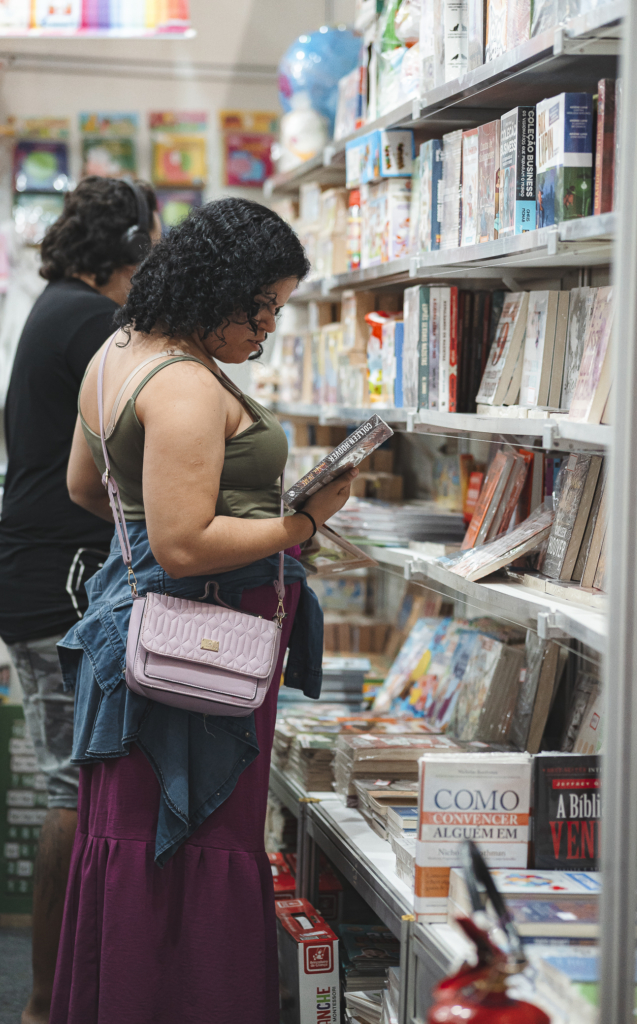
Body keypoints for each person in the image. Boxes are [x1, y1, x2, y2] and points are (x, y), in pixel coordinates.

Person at [51, 197, 356, 1024]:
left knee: (133, 829)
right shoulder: (185, 384)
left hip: (139, 627)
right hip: (200, 647)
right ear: (218, 290)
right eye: (262, 308)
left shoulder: (119, 351)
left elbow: (89, 488)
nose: (265, 330)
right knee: (190, 837)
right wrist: (303, 520)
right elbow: (183, 544)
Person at [0, 176, 160, 1024]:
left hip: (35, 570)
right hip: (55, 575)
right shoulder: (92, 322)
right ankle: (41, 1004)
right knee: (69, 784)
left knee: (73, 779)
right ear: (128, 250)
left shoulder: (55, 308)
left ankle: (54, 995)